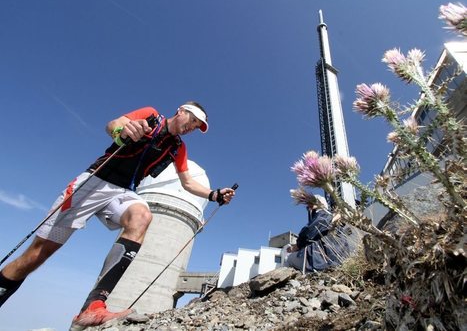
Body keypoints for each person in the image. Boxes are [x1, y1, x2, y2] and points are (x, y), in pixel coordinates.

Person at [0, 101, 236, 329]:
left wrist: (214, 195)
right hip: (96, 181)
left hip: (124, 191)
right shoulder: (152, 115)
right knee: (37, 255)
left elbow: (187, 182)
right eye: (192, 120)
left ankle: (93, 306)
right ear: (181, 111)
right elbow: (113, 124)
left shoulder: (178, 147)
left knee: (142, 217)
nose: (192, 126)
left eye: (196, 126)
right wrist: (123, 131)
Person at [284, 195, 349, 273]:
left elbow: (306, 235)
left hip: (320, 261)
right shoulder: (331, 217)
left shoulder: (322, 216)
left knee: (288, 258)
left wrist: (296, 246)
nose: (308, 208)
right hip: (339, 259)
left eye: (310, 204)